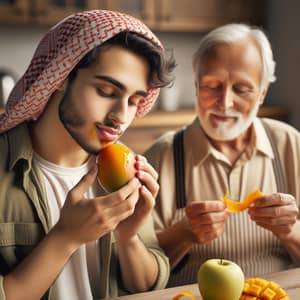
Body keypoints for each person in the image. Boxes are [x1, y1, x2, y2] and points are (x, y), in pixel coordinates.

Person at [0, 10, 176, 300]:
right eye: (106, 91)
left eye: (134, 101)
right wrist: (66, 237)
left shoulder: (123, 167)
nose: (121, 116)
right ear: (59, 76)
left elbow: (146, 287)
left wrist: (128, 236)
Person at [144, 23, 300, 287]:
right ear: (196, 85)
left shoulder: (290, 145)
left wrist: (291, 232)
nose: (225, 102)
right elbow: (135, 274)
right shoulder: (161, 157)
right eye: (212, 86)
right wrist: (183, 233)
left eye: (242, 89)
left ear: (262, 94)